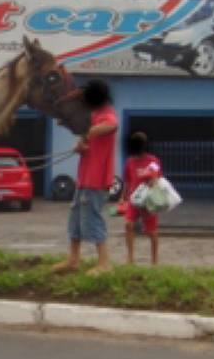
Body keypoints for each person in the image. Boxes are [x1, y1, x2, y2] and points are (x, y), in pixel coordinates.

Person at [51, 79, 119, 275]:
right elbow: (86, 141)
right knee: (75, 220)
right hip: (84, 178)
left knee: (93, 218)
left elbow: (112, 125)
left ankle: (104, 263)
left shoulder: (107, 113)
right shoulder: (94, 115)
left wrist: (89, 132)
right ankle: (73, 259)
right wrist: (80, 145)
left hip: (97, 180)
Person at [122, 131, 162, 265]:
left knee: (151, 232)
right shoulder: (130, 162)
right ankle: (130, 257)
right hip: (134, 199)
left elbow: (157, 178)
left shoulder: (153, 160)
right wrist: (122, 197)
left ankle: (154, 260)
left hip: (148, 200)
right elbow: (127, 181)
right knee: (128, 225)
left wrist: (153, 181)